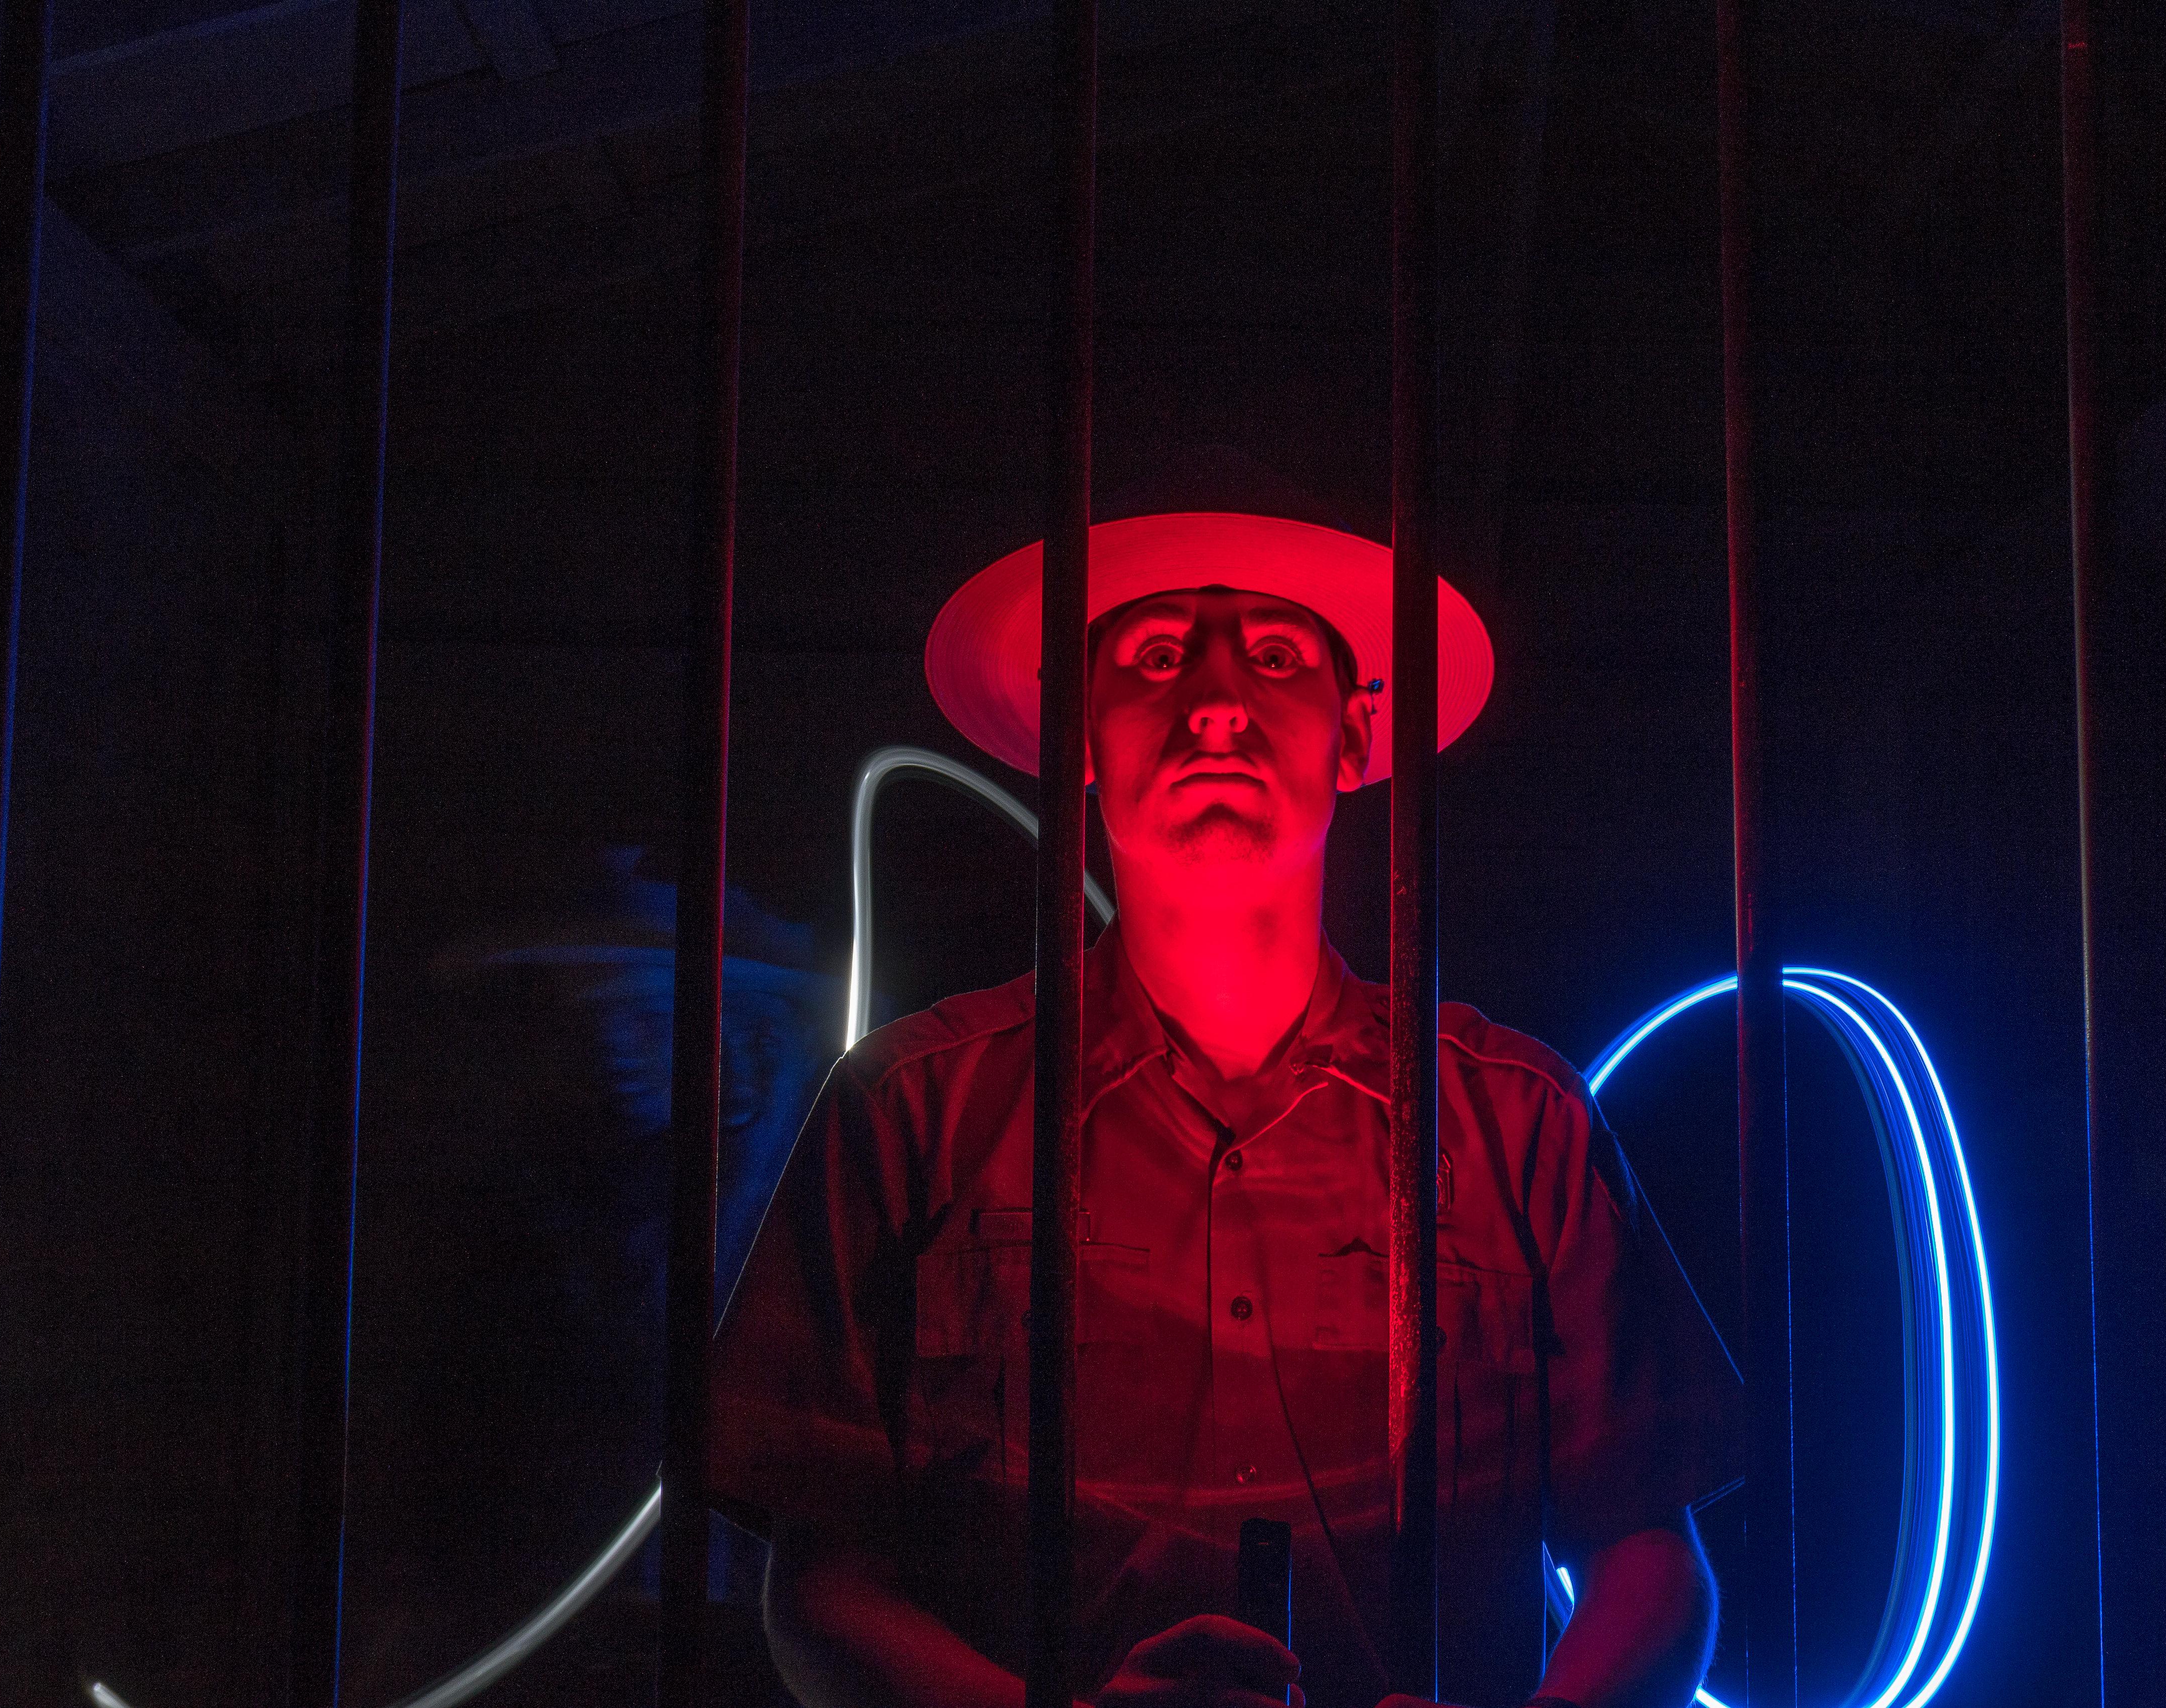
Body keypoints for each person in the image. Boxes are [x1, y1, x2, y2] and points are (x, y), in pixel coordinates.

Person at [709, 509, 1739, 1708]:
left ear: (1357, 733)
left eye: (1276, 656)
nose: (1213, 705)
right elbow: (821, 1587)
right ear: (1075, 731)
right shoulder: (914, 1111)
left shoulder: (1516, 1121)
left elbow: (1651, 1559)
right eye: (1154, 657)